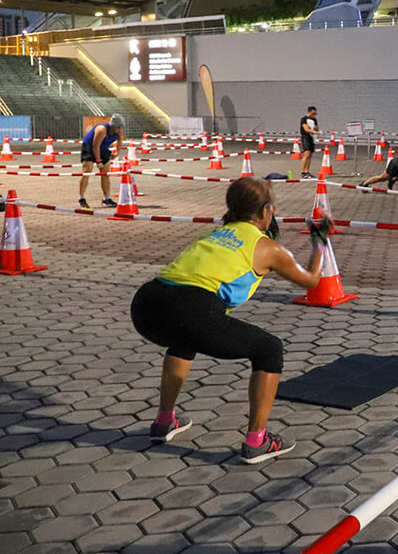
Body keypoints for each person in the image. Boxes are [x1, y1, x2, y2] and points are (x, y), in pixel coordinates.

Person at [130, 177, 328, 464]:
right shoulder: (267, 247)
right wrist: (319, 240)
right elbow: (311, 280)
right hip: (191, 308)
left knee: (183, 339)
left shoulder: (215, 234)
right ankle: (257, 442)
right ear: (265, 212)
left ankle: (164, 421)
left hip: (147, 304)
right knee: (269, 349)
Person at [79, 113, 126, 208]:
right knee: (87, 171)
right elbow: (95, 146)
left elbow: (120, 141)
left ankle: (106, 198)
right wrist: (98, 161)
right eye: (118, 127)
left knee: (105, 173)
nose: (120, 130)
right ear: (112, 126)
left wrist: (117, 152)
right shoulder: (102, 130)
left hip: (103, 148)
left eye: (121, 127)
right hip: (89, 147)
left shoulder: (119, 132)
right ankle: (81, 198)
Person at [299, 106, 318, 179]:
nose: (314, 115)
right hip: (305, 137)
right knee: (306, 154)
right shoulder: (304, 119)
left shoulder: (314, 119)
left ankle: (307, 171)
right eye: (313, 113)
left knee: (310, 155)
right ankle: (303, 172)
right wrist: (313, 131)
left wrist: (316, 129)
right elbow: (306, 129)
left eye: (315, 113)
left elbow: (316, 127)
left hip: (312, 138)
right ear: (309, 112)